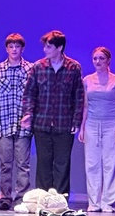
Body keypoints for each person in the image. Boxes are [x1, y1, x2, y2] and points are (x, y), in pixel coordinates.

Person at [20, 29, 83, 196]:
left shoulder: (73, 68)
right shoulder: (38, 67)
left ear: (59, 47)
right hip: (42, 123)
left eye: (49, 47)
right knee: (43, 163)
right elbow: (30, 94)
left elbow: (78, 96)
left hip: (64, 124)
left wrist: (76, 122)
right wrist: (28, 114)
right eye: (45, 46)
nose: (45, 50)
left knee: (62, 164)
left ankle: (61, 200)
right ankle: (43, 198)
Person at [79, 46, 115, 212]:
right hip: (92, 123)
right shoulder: (87, 80)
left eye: (101, 59)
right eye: (95, 59)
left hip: (110, 123)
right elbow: (85, 106)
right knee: (92, 164)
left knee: (110, 164)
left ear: (108, 61)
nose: (97, 62)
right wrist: (82, 127)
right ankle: (94, 202)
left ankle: (108, 202)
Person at [0, 33, 33, 210]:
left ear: (22, 49)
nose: (14, 49)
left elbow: (33, 95)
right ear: (6, 49)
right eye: (11, 46)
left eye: (17, 46)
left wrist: (30, 116)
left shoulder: (30, 69)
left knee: (23, 164)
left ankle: (22, 198)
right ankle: (5, 197)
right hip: (4, 121)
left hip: (23, 124)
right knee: (5, 164)